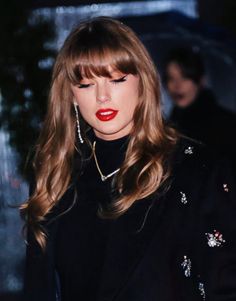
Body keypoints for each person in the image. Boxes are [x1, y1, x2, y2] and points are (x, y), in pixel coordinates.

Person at [21, 17, 236, 301]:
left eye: (117, 79)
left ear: (142, 82)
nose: (102, 96)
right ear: (71, 95)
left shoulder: (195, 170)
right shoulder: (54, 174)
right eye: (85, 84)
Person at [164, 47, 236, 171]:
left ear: (200, 81)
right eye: (171, 78)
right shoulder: (171, 123)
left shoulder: (225, 123)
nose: (177, 85)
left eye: (185, 77)